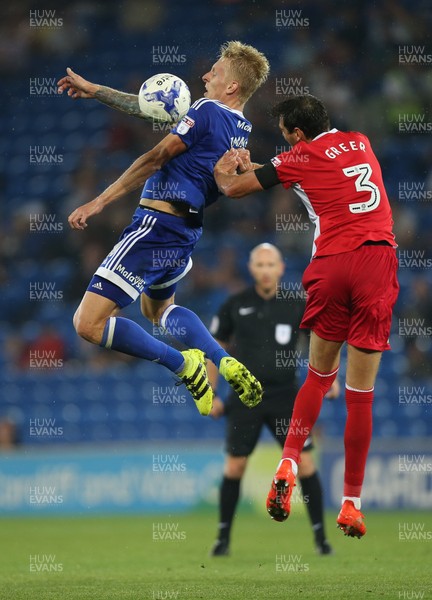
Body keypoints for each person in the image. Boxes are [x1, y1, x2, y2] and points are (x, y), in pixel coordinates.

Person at [213, 94, 399, 538]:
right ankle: (352, 504)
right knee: (360, 396)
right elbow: (331, 171)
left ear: (296, 134)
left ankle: (287, 461)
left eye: (284, 133)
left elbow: (235, 189)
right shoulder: (360, 141)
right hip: (376, 261)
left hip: (332, 262)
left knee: (317, 377)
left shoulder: (296, 156)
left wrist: (226, 168)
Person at [56, 41, 269, 415]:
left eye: (215, 72)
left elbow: (155, 158)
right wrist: (98, 92)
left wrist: (99, 201)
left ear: (232, 86)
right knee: (158, 310)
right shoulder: (240, 128)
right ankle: (221, 358)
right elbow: (151, 110)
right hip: (185, 234)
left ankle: (184, 364)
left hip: (155, 225)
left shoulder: (205, 109)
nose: (205, 75)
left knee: (87, 324)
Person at [208, 243, 337, 556]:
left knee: (304, 463)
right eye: (260, 265)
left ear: (280, 269)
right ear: (252, 269)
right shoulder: (234, 304)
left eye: (271, 264)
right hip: (245, 395)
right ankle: (222, 539)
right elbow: (214, 348)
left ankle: (321, 539)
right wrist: (210, 394)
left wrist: (330, 377)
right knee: (235, 466)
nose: (265, 270)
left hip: (286, 396)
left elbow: (323, 338)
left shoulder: (296, 304)